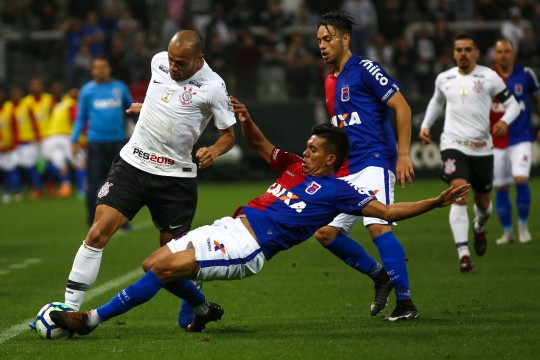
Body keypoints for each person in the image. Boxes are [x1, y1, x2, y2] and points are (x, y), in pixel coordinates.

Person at [49, 97, 470, 335]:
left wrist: (436, 200)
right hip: (229, 226)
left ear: (331, 157)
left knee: (162, 270)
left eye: (312, 148)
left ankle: (90, 319)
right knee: (152, 263)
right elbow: (261, 146)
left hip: (247, 248)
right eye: (305, 145)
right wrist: (246, 120)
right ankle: (202, 311)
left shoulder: (340, 191)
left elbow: (389, 210)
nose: (304, 151)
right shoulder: (292, 168)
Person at [58, 29, 236, 324]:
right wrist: (148, 107)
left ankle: (200, 305)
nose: (173, 67)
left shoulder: (214, 87)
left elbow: (228, 135)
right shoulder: (158, 62)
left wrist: (215, 150)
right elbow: (161, 93)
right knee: (97, 233)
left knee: (170, 261)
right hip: (133, 164)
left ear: (199, 59)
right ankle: (68, 310)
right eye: (171, 60)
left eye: (181, 63)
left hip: (175, 180)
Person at [315, 10, 418, 320]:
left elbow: (402, 106)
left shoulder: (366, 69)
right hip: (345, 171)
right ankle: (380, 277)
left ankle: (406, 304)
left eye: (328, 39)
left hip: (374, 160)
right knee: (324, 233)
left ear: (346, 39)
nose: (322, 45)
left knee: (377, 225)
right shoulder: (330, 82)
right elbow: (341, 128)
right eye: (319, 40)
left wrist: (402, 154)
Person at [419, 33, 521, 272]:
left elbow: (513, 105)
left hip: (482, 149)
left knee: (484, 203)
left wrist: (505, 121)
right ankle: (464, 253)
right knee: (459, 194)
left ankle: (479, 226)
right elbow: (436, 101)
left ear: (476, 52)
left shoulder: (489, 77)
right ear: (454, 53)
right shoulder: (444, 78)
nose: (463, 53)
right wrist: (425, 125)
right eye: (458, 49)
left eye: (467, 49)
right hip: (453, 145)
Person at [71, 56, 134, 227]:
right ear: (92, 71)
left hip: (118, 142)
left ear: (109, 69)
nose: (101, 70)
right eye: (97, 67)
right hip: (96, 143)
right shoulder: (87, 90)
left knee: (120, 183)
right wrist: (74, 139)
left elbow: (132, 110)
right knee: (93, 183)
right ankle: (92, 219)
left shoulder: (119, 87)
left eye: (104, 66)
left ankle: (121, 221)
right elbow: (80, 117)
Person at [489, 39, 540, 245]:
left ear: (513, 53)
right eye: (499, 51)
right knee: (500, 187)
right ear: (495, 55)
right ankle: (508, 231)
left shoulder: (526, 74)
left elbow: (537, 99)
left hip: (521, 137)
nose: (503, 55)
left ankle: (523, 225)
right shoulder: (488, 77)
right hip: (495, 142)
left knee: (521, 179)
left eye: (507, 51)